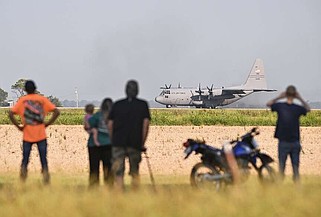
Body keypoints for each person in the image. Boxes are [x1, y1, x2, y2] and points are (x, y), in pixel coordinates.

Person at [8, 80, 60, 184]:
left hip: (27, 135)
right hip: (41, 134)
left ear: (25, 90)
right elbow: (56, 111)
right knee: (43, 160)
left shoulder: (23, 100)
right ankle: (46, 181)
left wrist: (19, 126)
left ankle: (22, 181)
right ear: (35, 88)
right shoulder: (42, 99)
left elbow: (10, 113)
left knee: (25, 160)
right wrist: (47, 124)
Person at [108, 80, 151, 190]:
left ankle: (119, 193)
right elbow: (145, 125)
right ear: (137, 91)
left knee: (118, 172)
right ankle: (135, 194)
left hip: (118, 142)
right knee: (135, 170)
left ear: (125, 90)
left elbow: (110, 124)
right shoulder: (143, 105)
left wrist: (113, 140)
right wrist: (142, 142)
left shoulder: (117, 104)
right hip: (135, 142)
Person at [266, 85, 310, 182]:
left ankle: (280, 189)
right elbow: (308, 109)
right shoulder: (298, 108)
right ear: (295, 95)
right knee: (295, 168)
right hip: (295, 143)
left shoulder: (280, 106)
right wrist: (300, 98)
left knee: (281, 167)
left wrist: (279, 97)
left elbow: (268, 104)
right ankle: (297, 188)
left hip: (283, 143)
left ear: (286, 94)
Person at [87, 98, 113, 187]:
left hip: (94, 146)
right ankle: (109, 187)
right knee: (108, 168)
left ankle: (94, 188)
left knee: (94, 169)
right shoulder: (114, 117)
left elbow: (89, 124)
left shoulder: (98, 115)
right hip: (109, 145)